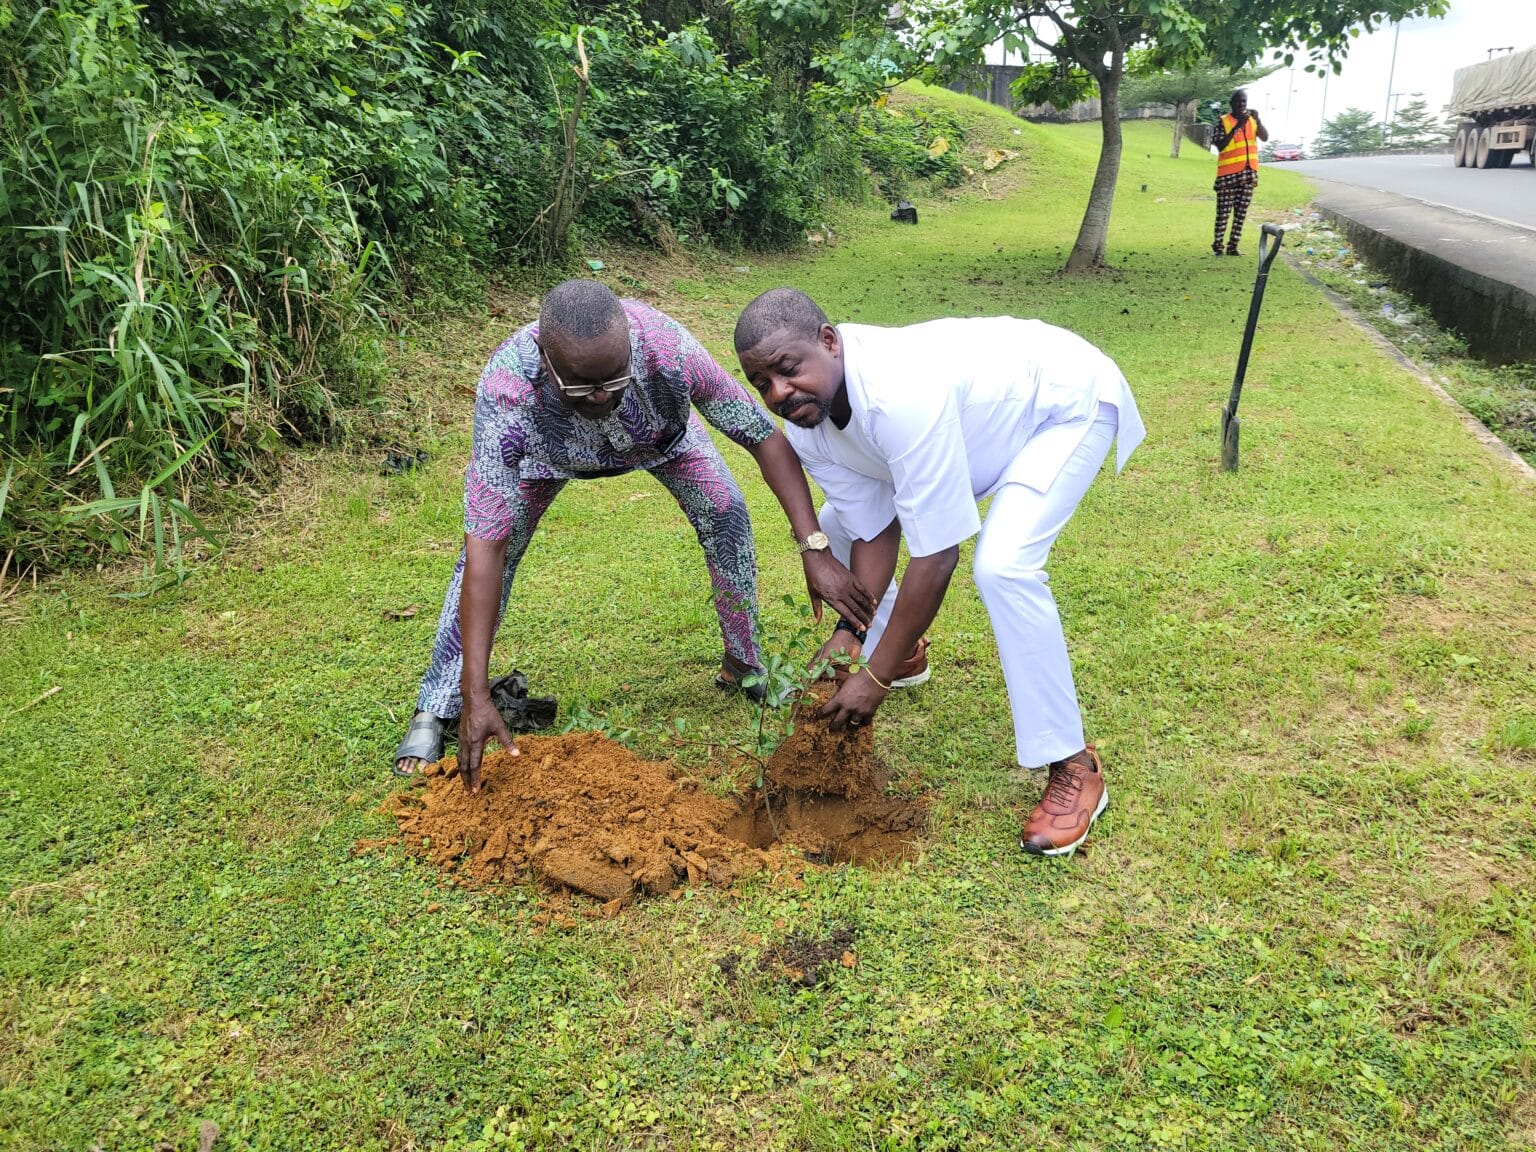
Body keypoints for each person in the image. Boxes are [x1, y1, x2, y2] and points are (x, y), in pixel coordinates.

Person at [394, 279, 876, 793]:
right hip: (546, 457)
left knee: (726, 510)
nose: (602, 394)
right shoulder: (507, 390)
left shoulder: (667, 348)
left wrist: (813, 546)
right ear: (544, 356)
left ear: (630, 344)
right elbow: (485, 546)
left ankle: (744, 662)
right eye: (583, 384)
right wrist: (477, 695)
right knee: (492, 552)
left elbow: (762, 438)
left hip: (660, 441)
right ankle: (440, 703)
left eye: (615, 377)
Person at [734, 289, 1145, 857]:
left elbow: (937, 557)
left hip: (1059, 405)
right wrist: (851, 636)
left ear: (829, 342)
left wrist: (872, 680)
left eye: (788, 370)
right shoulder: (809, 422)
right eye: (763, 384)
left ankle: (1074, 764)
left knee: (1004, 565)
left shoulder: (899, 394)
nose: (779, 393)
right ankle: (900, 651)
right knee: (837, 520)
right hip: (980, 431)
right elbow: (874, 528)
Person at [1211, 89, 1268, 256]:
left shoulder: (1252, 120)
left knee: (1241, 213)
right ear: (1231, 104)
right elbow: (1220, 145)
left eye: (1244, 101)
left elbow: (1264, 137)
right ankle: (1218, 246)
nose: (1242, 105)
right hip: (1228, 176)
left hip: (1248, 174)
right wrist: (1237, 126)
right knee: (1223, 213)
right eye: (1238, 102)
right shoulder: (1223, 121)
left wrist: (1259, 119)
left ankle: (1233, 246)